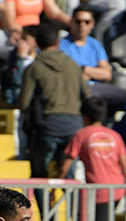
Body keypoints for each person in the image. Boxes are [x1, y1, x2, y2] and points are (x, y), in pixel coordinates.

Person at [57, 96, 126, 221]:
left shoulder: (81, 134)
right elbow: (125, 166)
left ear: (84, 116)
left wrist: (55, 186)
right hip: (116, 190)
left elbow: (65, 166)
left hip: (97, 192)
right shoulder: (115, 136)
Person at [18, 23, 89, 178]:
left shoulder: (34, 67)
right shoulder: (74, 66)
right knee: (68, 177)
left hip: (47, 126)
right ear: (57, 42)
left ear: (37, 43)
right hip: (74, 127)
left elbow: (23, 103)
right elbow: (87, 97)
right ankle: (71, 203)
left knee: (39, 176)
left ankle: (44, 203)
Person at [59, 5, 126, 114]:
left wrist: (85, 69)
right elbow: (68, 73)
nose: (82, 25)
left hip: (96, 86)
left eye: (86, 22)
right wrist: (93, 71)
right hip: (75, 89)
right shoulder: (62, 44)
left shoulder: (95, 44)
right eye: (78, 21)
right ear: (71, 22)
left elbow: (107, 74)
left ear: (92, 24)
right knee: (93, 100)